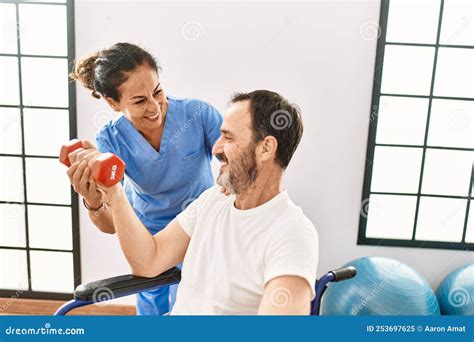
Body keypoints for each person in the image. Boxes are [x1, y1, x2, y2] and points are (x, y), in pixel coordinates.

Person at [69, 90, 319, 314]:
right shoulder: (213, 200)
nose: (215, 148)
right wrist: (114, 193)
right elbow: (149, 261)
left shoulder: (292, 232)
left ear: (265, 148)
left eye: (228, 138)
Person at [68, 42, 223, 315]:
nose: (154, 107)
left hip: (200, 232)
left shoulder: (198, 115)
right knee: (152, 313)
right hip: (148, 240)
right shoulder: (111, 140)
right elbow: (109, 225)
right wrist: (92, 199)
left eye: (157, 92)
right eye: (139, 100)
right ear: (113, 103)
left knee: (190, 307)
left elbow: (237, 168)